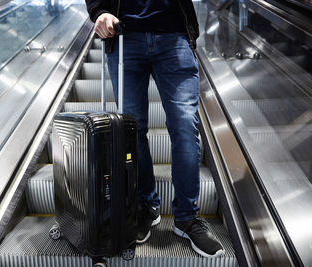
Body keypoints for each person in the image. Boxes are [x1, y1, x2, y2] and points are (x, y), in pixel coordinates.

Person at [85, 0, 224, 258]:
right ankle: (145, 205)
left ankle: (186, 218)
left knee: (184, 125)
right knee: (131, 129)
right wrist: (99, 11)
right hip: (124, 35)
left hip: (174, 34)